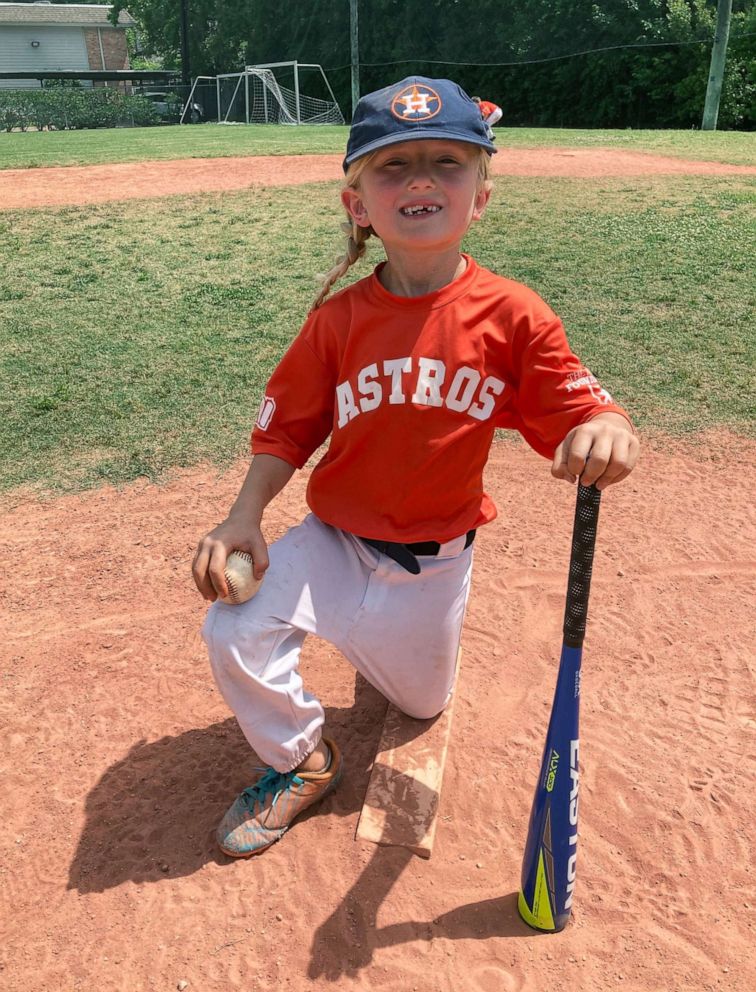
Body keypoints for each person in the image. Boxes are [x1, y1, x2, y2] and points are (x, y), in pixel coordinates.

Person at [192, 76, 639, 859]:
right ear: (357, 204)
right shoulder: (338, 322)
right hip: (335, 542)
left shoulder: (513, 316)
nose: (422, 179)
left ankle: (384, 652)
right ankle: (304, 759)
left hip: (433, 568)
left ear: (481, 199)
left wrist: (605, 426)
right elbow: (287, 430)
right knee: (233, 626)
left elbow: (581, 408)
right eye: (393, 166)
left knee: (421, 704)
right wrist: (245, 516)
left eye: (447, 163)